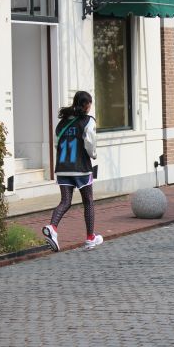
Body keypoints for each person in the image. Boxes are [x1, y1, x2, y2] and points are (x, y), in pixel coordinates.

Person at [42, 91, 103, 252]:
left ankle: (52, 227)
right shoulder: (88, 121)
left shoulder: (61, 123)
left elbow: (56, 144)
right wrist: (93, 155)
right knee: (88, 201)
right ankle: (90, 238)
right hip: (81, 168)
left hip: (63, 168)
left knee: (65, 201)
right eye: (89, 103)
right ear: (86, 104)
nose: (90, 106)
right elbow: (90, 143)